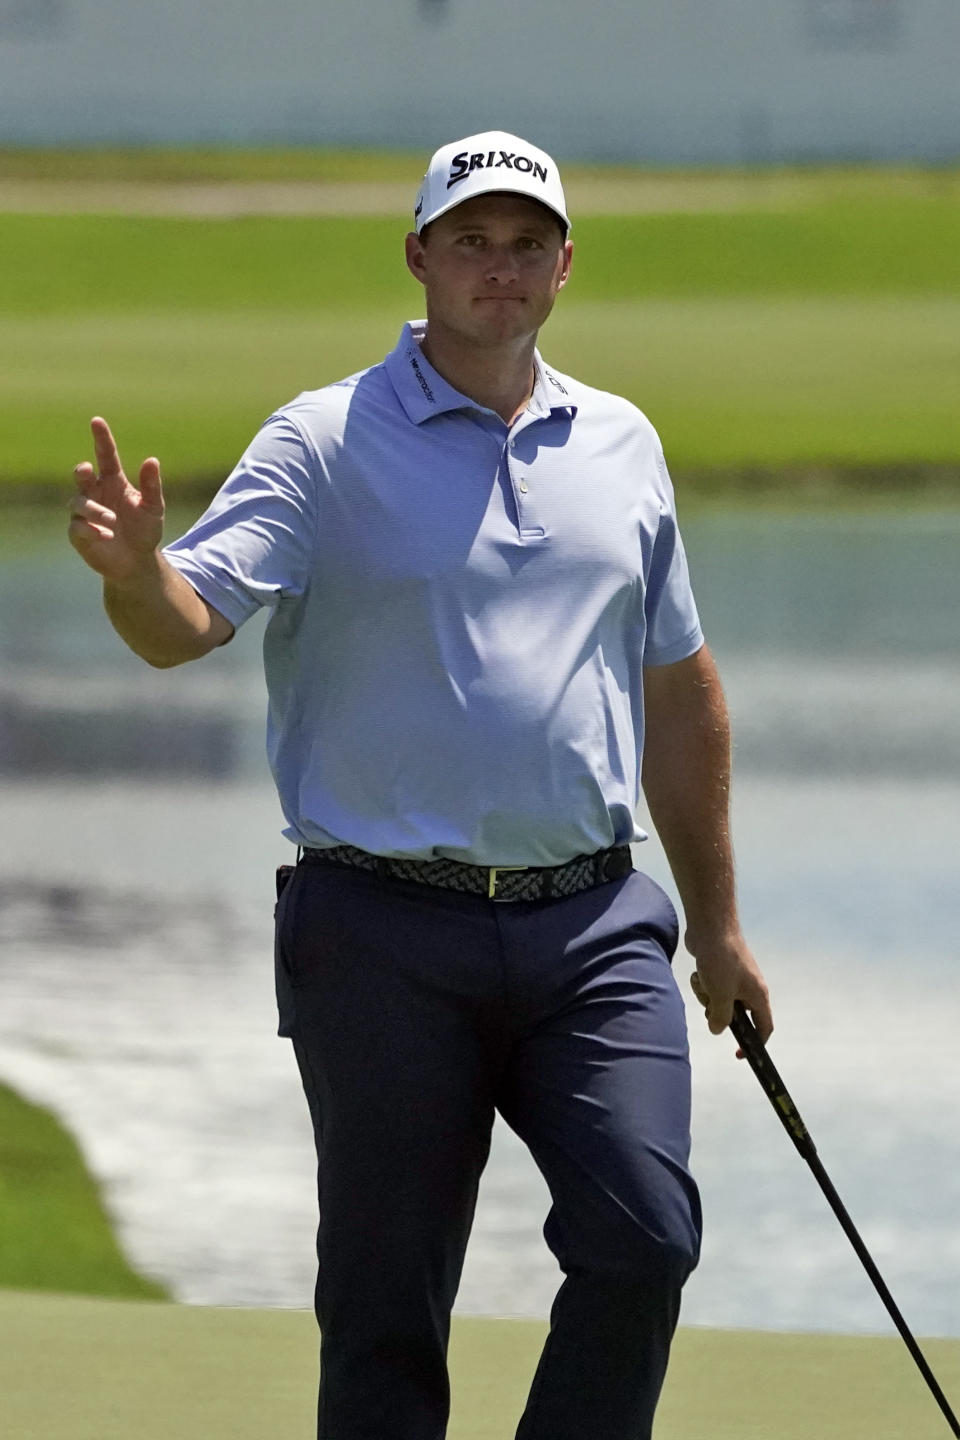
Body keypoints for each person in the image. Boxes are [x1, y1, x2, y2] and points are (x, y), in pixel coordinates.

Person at [69, 130, 773, 1440]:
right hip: (381, 931)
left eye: (523, 247)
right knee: (388, 1306)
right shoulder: (326, 441)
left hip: (592, 925)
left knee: (645, 1240)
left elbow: (679, 690)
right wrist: (130, 577)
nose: (498, 271)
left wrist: (720, 926)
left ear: (564, 267)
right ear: (420, 258)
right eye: (470, 244)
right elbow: (186, 624)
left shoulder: (622, 444)